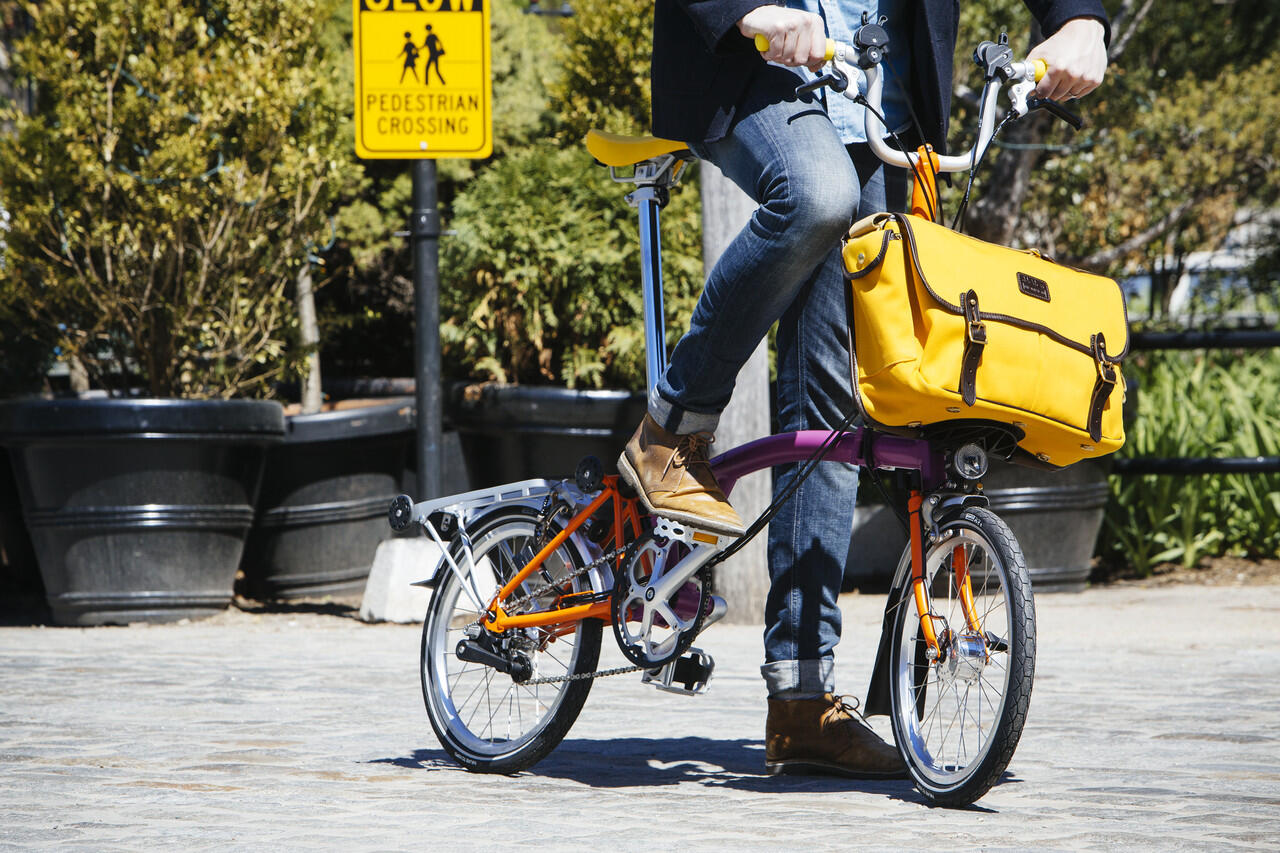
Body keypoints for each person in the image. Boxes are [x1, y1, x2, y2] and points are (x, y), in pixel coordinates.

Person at [619, 0, 1109, 778]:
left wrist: (1080, 17)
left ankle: (802, 697)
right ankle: (670, 428)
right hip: (757, 68)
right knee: (815, 193)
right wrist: (751, 10)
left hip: (885, 100)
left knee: (838, 400)